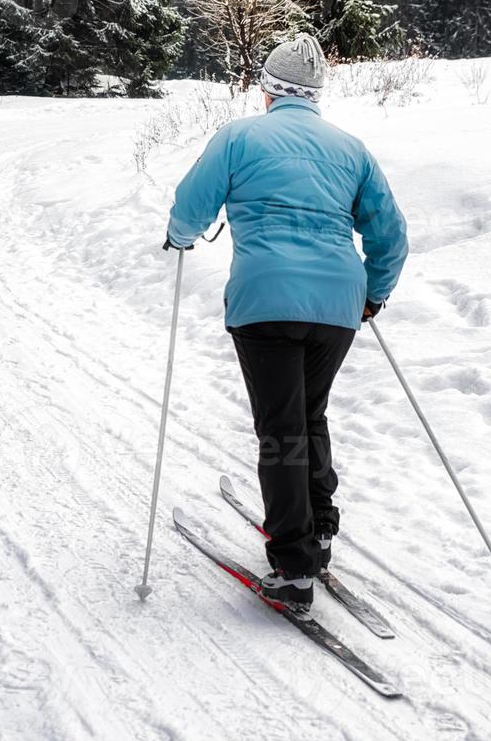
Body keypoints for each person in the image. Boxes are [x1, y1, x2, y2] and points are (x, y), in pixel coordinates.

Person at [164, 33, 408, 611]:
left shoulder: (240, 137)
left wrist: (178, 238)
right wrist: (372, 296)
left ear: (270, 90)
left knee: (280, 430)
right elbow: (389, 235)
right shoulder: (351, 149)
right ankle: (320, 527)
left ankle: (294, 568)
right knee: (307, 414)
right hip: (338, 308)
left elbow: (190, 206)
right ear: (315, 94)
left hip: (265, 302)